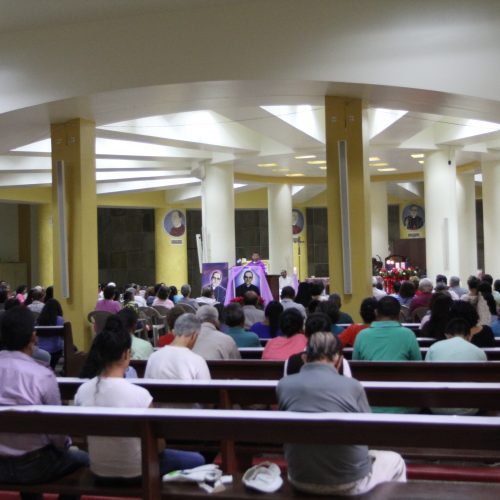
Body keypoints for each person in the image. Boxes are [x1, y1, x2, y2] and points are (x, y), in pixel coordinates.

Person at [277, 331, 406, 496]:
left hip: (299, 477)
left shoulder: (284, 385)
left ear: (304, 358)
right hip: (349, 482)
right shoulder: (353, 386)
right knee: (396, 461)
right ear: (338, 361)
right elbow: (369, 432)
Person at [74, 323, 203, 483]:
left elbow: (83, 436)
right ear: (126, 354)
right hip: (138, 472)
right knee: (197, 460)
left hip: (99, 471)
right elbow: (158, 445)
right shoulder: (139, 394)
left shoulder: (83, 390)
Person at [0, 307, 89, 498]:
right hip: (35, 465)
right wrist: (65, 445)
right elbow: (56, 429)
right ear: (33, 336)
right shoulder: (42, 375)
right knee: (83, 460)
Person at [425, 318, 486, 415]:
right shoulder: (479, 351)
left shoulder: (434, 348)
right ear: (469, 336)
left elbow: (426, 377)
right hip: (470, 407)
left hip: (437, 406)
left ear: (447, 334)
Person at [353, 296, 421, 363]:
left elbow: (355, 364)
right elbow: (417, 363)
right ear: (399, 314)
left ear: (376, 312)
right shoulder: (408, 335)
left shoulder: (361, 336)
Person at [145, 313, 211, 380]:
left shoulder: (153, 357)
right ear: (194, 335)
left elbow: (146, 383)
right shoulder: (198, 361)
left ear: (174, 331)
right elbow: (206, 386)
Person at [36, 298, 65, 369]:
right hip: (55, 350)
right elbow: (62, 336)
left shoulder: (39, 320)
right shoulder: (60, 319)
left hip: (40, 350)